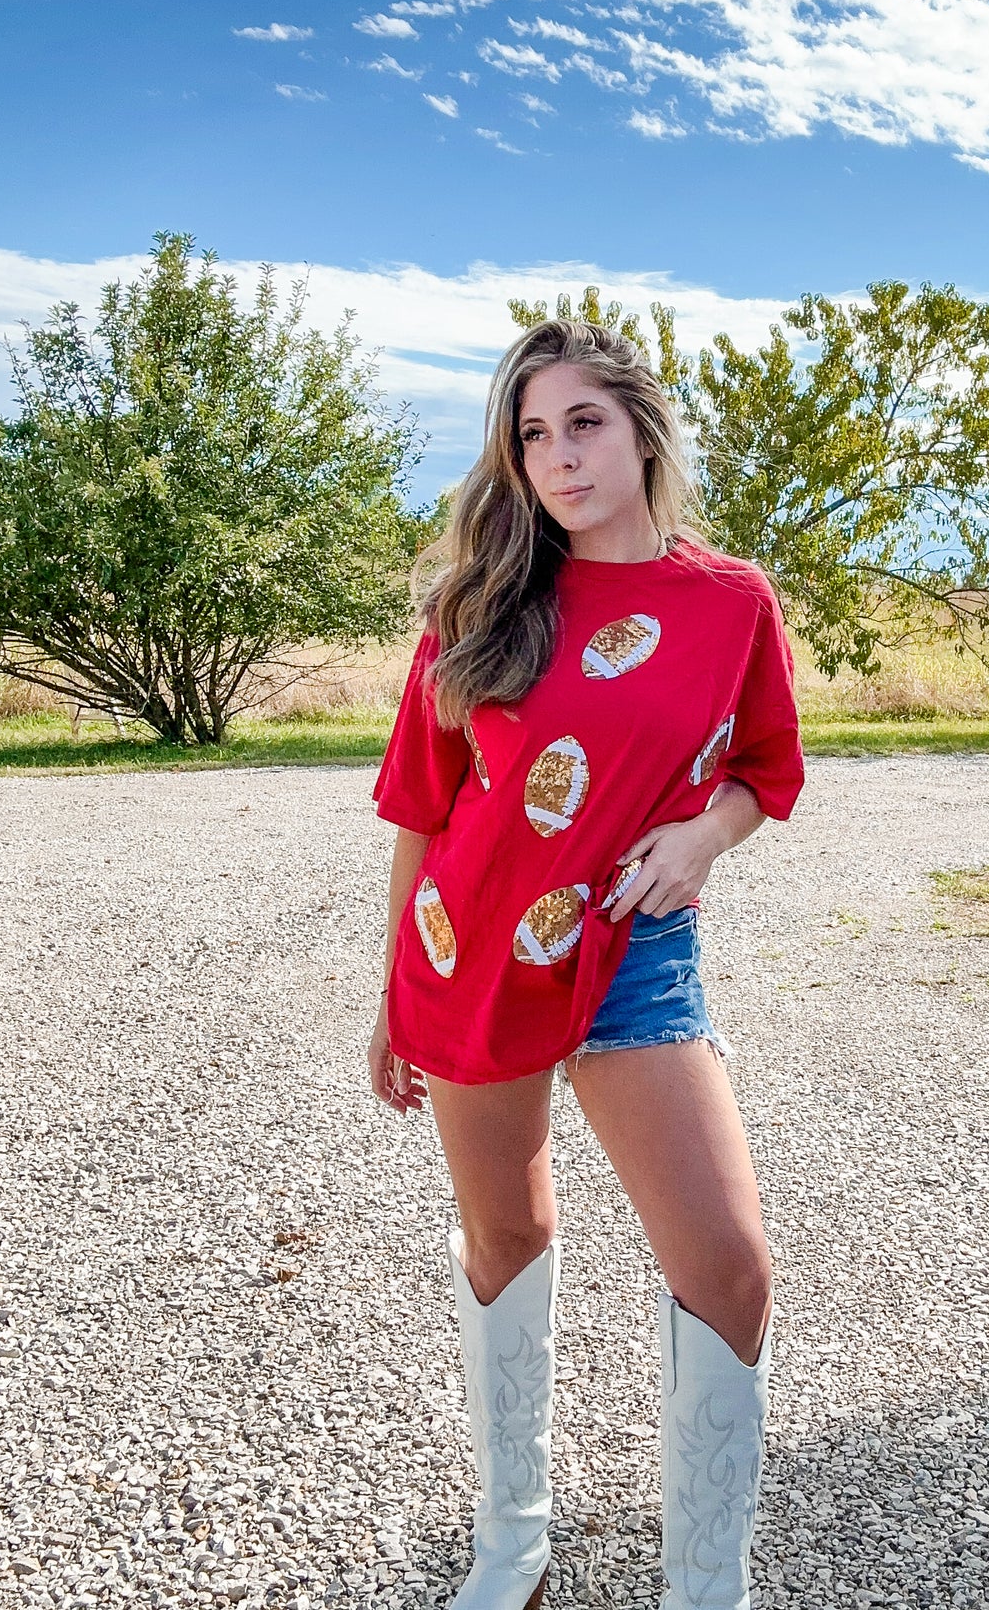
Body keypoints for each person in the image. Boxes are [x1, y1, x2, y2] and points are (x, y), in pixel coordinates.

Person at [366, 315, 804, 1610]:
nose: (557, 457)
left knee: (728, 1268)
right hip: (470, 960)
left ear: (641, 429)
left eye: (583, 423)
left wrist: (702, 839)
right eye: (531, 432)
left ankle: (704, 1588)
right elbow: (422, 809)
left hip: (631, 959)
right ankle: (515, 1551)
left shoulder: (728, 604)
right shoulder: (479, 605)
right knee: (506, 1237)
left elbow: (763, 769)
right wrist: (392, 990)